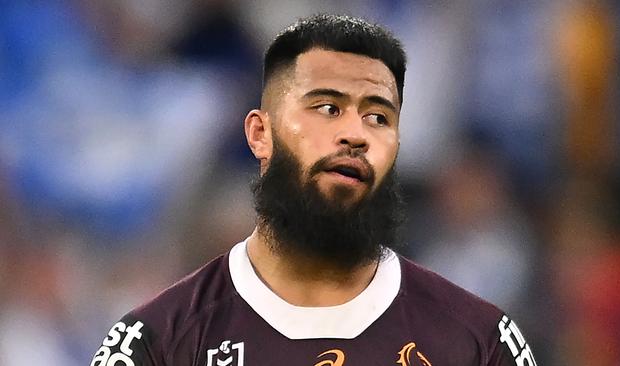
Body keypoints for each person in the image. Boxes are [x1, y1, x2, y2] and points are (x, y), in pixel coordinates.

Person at [90, 14, 536, 366]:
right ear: (260, 134)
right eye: (327, 108)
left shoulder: (479, 342)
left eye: (378, 117)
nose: (354, 136)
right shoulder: (157, 343)